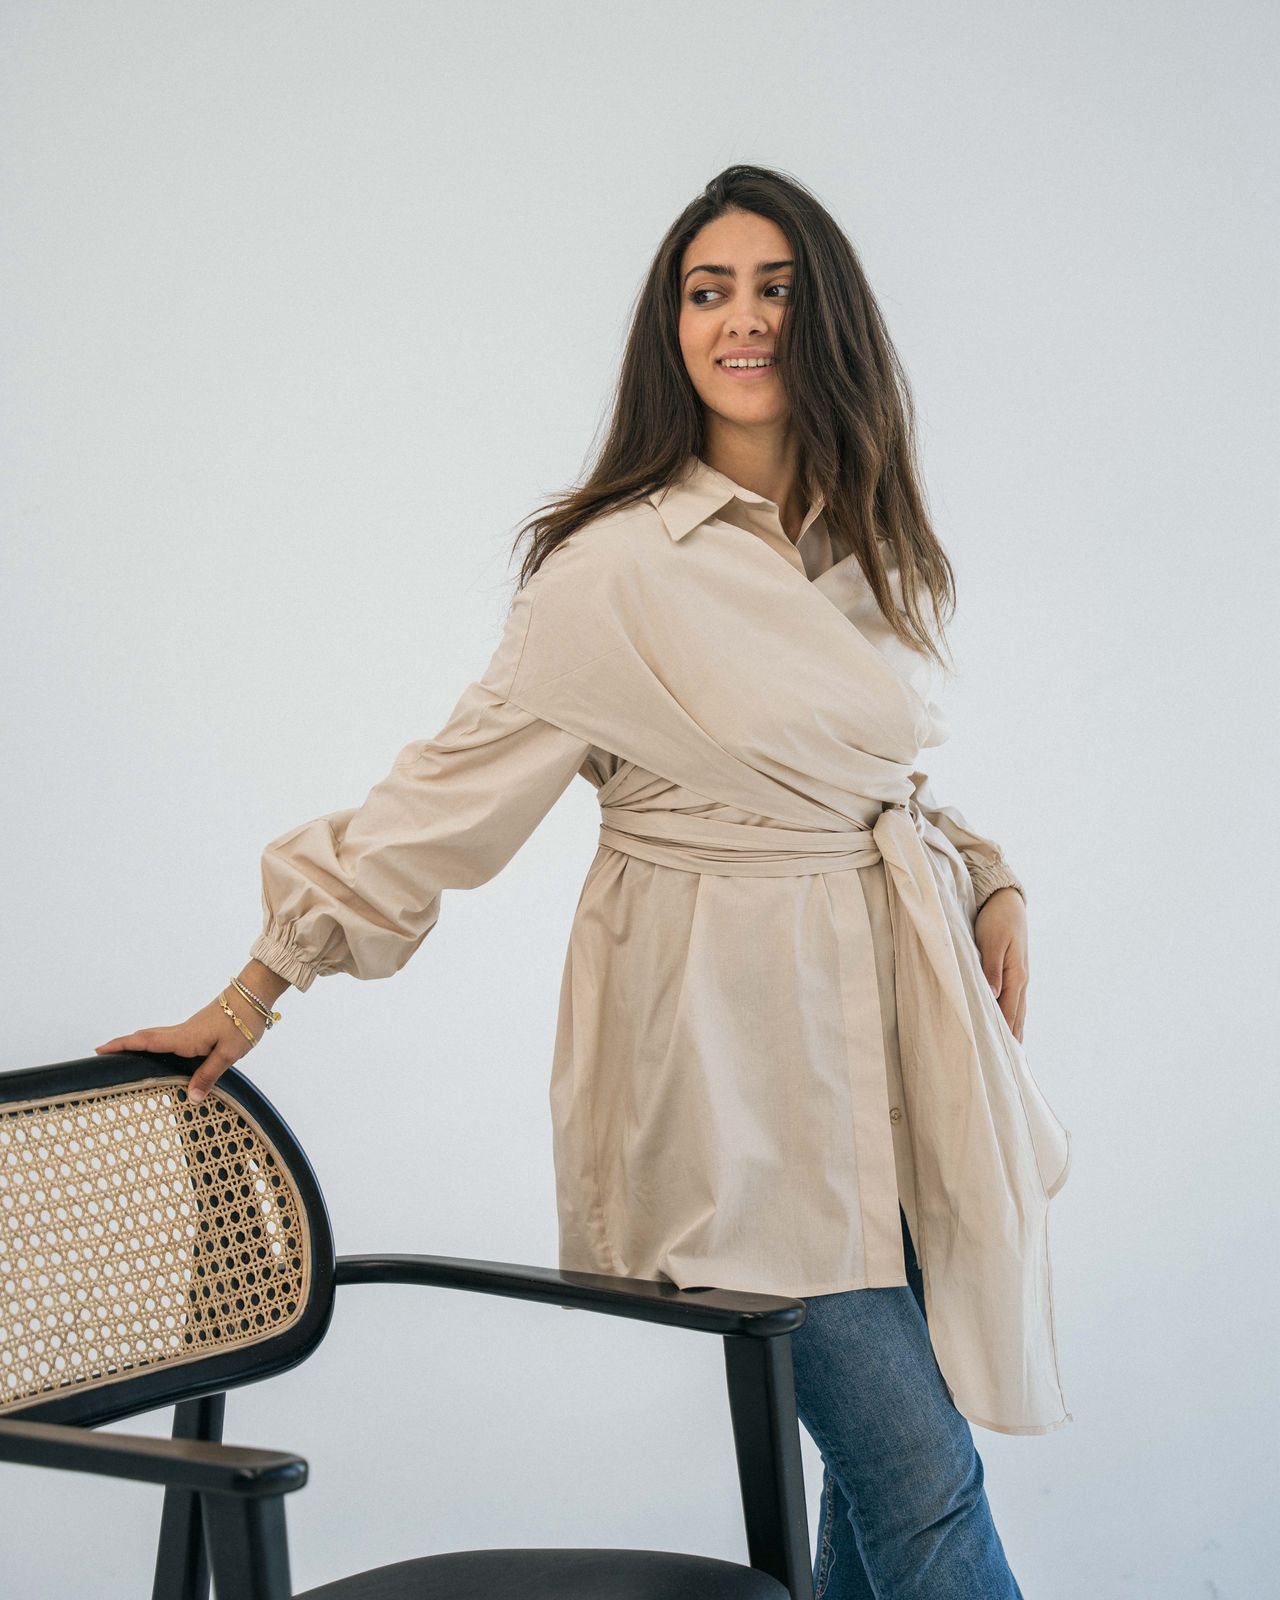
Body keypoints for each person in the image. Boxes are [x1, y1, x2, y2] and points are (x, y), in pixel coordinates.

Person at [97, 164, 1071, 1599]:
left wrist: (986, 876)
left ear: (828, 321)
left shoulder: (861, 538)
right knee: (922, 1482)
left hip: (893, 1061)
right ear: (671, 329)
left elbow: (870, 781)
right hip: (739, 1084)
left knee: (879, 1492)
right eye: (708, 290)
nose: (742, 319)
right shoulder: (611, 573)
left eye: (776, 288)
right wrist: (255, 990)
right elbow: (440, 800)